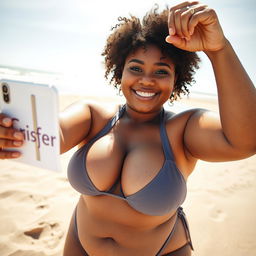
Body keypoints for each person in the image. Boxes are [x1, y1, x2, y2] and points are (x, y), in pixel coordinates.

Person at [0, 1, 255, 255]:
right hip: (81, 244)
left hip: (163, 250)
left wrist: (219, 49)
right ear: (119, 71)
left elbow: (246, 141)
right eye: (135, 68)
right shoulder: (92, 117)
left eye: (161, 71)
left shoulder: (183, 129)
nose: (146, 80)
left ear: (176, 79)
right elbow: (47, 135)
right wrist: (12, 133)